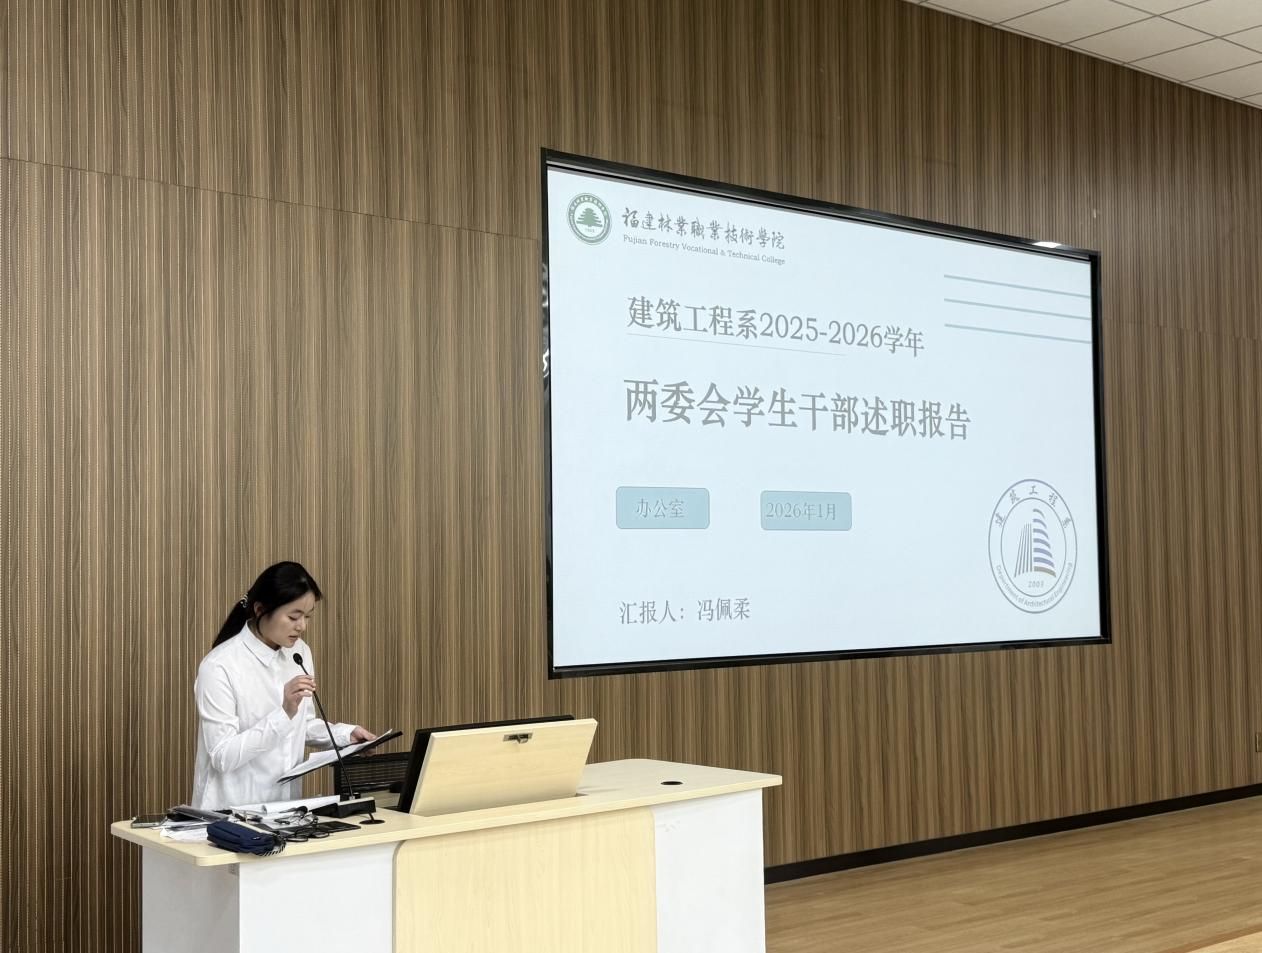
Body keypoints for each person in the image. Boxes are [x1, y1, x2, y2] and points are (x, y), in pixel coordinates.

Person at [191, 561, 376, 810]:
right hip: (231, 814)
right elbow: (222, 756)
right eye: (293, 617)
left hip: (285, 810)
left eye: (307, 617)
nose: (302, 626)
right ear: (260, 609)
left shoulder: (299, 652)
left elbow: (301, 726)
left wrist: (345, 735)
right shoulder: (219, 666)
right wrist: (284, 712)